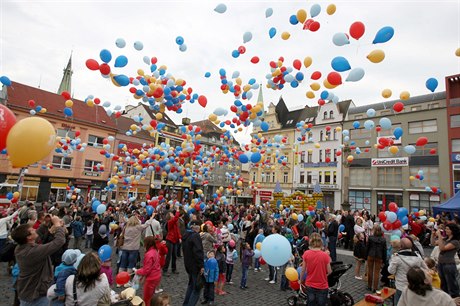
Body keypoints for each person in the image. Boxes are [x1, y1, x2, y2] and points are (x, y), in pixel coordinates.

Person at [12, 215, 66, 306]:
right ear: (29, 237)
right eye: (32, 230)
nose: (34, 229)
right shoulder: (32, 252)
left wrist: (47, 226)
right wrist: (57, 225)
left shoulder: (21, 247)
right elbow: (59, 241)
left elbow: (40, 240)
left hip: (27, 291)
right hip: (35, 295)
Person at [388, 237, 428, 304]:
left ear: (401, 246)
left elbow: (391, 271)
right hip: (415, 286)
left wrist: (391, 262)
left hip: (401, 286)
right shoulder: (418, 256)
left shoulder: (397, 257)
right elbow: (425, 269)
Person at [299, 232, 332, 306]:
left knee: (311, 303)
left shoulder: (306, 253)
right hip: (322, 285)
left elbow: (303, 270)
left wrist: (300, 280)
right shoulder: (325, 255)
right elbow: (329, 271)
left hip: (310, 284)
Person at [119, 215, 150, 283]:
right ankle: (127, 281)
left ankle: (120, 280)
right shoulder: (138, 227)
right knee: (131, 264)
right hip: (133, 248)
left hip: (125, 247)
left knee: (123, 264)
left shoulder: (126, 227)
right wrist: (152, 217)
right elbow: (146, 224)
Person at [182, 219, 204, 306]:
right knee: (197, 289)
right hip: (195, 266)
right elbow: (198, 252)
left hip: (188, 264)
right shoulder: (195, 236)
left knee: (191, 285)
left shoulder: (186, 234)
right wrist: (201, 266)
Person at [135, 236, 162, 306]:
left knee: (147, 298)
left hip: (151, 278)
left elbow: (146, 270)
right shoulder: (155, 251)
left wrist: (137, 271)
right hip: (157, 275)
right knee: (151, 296)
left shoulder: (149, 254)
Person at [436, 223, 460, 297]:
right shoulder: (446, 239)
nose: (445, 230)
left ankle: (455, 300)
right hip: (441, 264)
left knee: (452, 285)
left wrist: (439, 236)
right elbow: (433, 243)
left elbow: (442, 248)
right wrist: (433, 235)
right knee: (443, 284)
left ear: (452, 230)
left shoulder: (455, 242)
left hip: (449, 265)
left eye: (447, 229)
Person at [366, 224, 387, 292]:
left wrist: (366, 255)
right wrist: (384, 259)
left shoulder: (370, 238)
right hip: (379, 256)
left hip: (371, 255)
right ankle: (375, 287)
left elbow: (368, 247)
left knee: (370, 271)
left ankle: (369, 286)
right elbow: (384, 250)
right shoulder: (383, 239)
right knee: (377, 272)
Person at [164, 210, 181, 276]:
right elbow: (176, 218)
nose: (172, 214)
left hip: (174, 240)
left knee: (174, 255)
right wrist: (177, 211)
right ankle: (165, 270)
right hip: (170, 240)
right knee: (169, 256)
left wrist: (179, 237)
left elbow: (177, 230)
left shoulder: (174, 222)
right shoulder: (170, 222)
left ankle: (174, 268)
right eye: (171, 214)